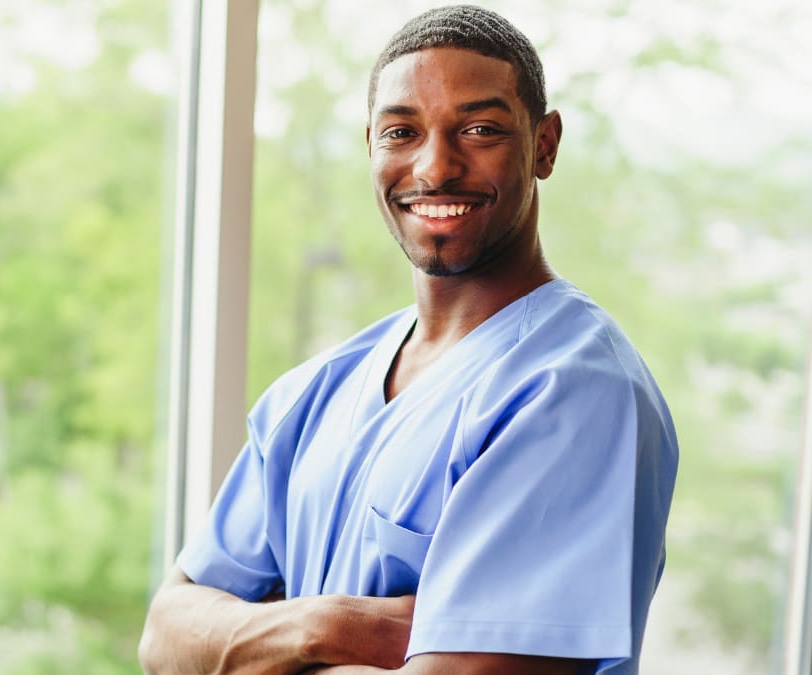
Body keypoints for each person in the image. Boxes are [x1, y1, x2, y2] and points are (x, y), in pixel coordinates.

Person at [138, 5, 678, 675]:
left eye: (479, 129)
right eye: (402, 131)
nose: (435, 166)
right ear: (371, 145)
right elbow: (165, 635)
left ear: (544, 144)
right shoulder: (313, 394)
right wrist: (333, 624)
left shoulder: (574, 393)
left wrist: (245, 644)